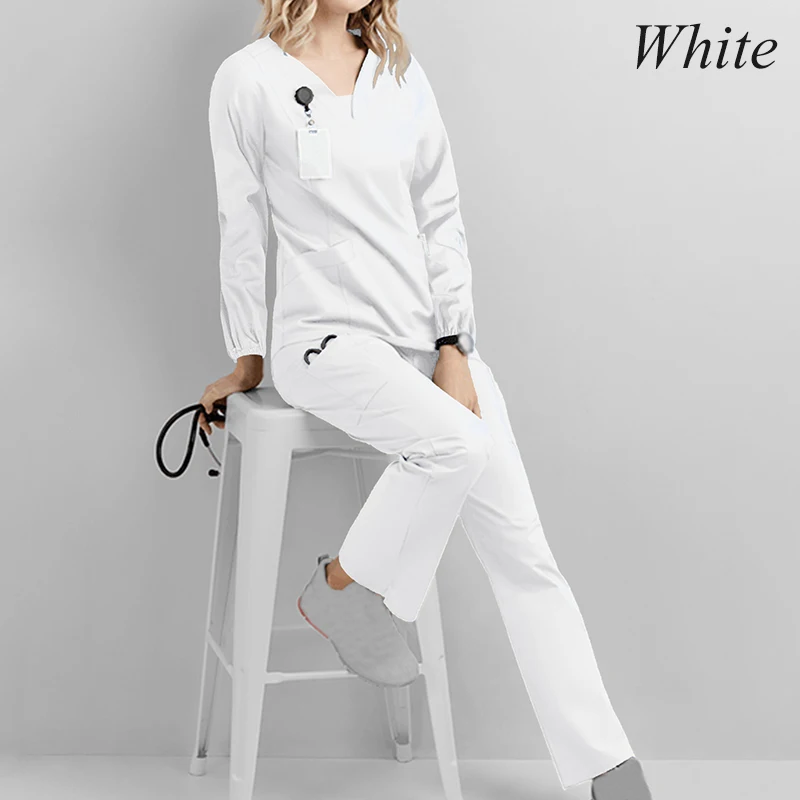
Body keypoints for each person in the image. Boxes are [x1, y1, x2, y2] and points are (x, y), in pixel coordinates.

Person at [198, 2, 653, 797]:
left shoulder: (398, 75)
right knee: (457, 445)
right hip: (325, 341)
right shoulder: (248, 81)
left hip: (422, 341)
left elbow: (440, 218)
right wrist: (246, 357)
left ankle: (605, 767)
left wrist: (454, 345)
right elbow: (241, 225)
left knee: (525, 553)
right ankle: (346, 591)